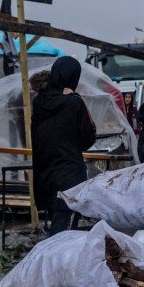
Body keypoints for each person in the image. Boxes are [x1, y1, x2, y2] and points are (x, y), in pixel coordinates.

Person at [29, 55, 97, 232]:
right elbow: (88, 138)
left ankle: (50, 257)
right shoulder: (73, 102)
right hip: (69, 179)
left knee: (58, 226)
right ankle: (50, 259)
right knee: (63, 233)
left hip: (45, 178)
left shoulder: (38, 103)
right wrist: (77, 98)